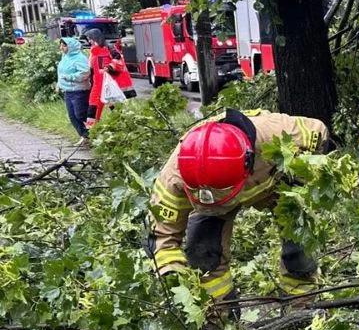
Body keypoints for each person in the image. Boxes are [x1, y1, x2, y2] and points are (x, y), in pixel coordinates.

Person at [146, 108, 331, 311]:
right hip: (209, 204)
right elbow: (162, 239)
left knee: (299, 251)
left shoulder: (279, 134)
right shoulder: (174, 178)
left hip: (276, 186)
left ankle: (301, 309)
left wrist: (303, 183)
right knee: (203, 254)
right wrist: (177, 282)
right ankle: (220, 317)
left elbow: (320, 134)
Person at [83, 28, 135, 128]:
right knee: (93, 107)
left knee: (115, 107)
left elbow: (119, 61)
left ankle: (125, 127)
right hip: (97, 84)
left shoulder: (109, 49)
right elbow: (91, 68)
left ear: (95, 38)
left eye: (90, 39)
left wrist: (109, 68)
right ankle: (91, 130)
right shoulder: (93, 52)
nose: (89, 41)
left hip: (109, 85)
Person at [56, 36, 92, 143]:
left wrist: (69, 77)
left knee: (80, 115)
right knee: (72, 116)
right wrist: (59, 84)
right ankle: (84, 136)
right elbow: (61, 73)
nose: (61, 48)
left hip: (79, 91)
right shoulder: (65, 57)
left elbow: (85, 73)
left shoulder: (79, 58)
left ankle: (91, 134)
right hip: (68, 91)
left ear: (71, 47)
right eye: (61, 45)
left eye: (64, 46)